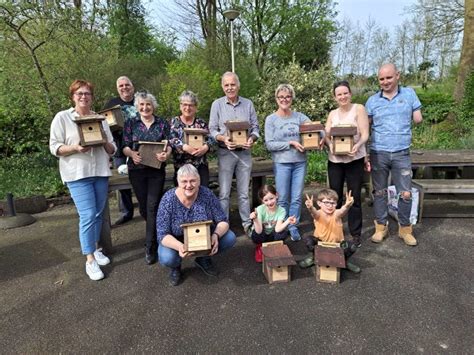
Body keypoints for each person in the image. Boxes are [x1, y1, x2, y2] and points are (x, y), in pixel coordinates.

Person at [49, 79, 116, 281]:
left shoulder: (101, 119)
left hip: (100, 172)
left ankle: (95, 249)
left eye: (87, 93)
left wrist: (104, 140)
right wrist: (75, 148)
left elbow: (112, 149)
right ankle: (89, 260)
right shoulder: (62, 118)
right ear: (73, 96)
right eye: (79, 94)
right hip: (77, 174)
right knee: (87, 215)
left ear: (92, 97)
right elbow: (55, 148)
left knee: (97, 215)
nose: (83, 97)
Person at [365, 63, 423, 246]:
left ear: (398, 75)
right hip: (378, 152)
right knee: (380, 192)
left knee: (405, 193)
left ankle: (405, 229)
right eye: (381, 79)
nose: (385, 82)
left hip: (401, 152)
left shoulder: (409, 94)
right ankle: (381, 227)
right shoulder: (372, 101)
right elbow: (365, 129)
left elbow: (418, 118)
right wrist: (365, 153)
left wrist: (416, 115)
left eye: (389, 77)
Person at [157, 164, 237, 286]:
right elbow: (162, 234)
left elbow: (223, 221)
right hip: (177, 240)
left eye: (193, 181)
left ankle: (203, 258)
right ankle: (176, 267)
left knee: (230, 237)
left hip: (204, 238)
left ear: (199, 180)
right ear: (178, 182)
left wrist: (215, 235)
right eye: (184, 181)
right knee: (167, 257)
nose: (189, 185)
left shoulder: (207, 194)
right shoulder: (168, 199)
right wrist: (180, 246)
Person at [122, 91, 171, 264]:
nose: (145, 107)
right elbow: (125, 146)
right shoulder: (130, 123)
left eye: (148, 104)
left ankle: (150, 247)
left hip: (156, 170)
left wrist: (166, 154)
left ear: (153, 106)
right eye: (141, 104)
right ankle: (158, 231)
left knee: (152, 206)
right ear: (137, 107)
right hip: (137, 170)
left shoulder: (162, 123)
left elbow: (168, 144)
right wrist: (132, 154)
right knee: (144, 208)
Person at [209, 72, 260, 236]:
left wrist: (252, 138)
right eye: (226, 85)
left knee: (244, 193)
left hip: (244, 153)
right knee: (224, 193)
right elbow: (212, 129)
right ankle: (224, 225)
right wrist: (223, 138)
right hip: (226, 153)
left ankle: (246, 224)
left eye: (232, 84)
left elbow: (255, 128)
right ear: (222, 86)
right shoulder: (217, 104)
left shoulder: (248, 104)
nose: (230, 88)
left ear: (238, 85)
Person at [324, 81, 369, 247]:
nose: (342, 97)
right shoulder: (332, 114)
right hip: (335, 161)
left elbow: (365, 134)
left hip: (354, 160)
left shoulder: (359, 109)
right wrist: (331, 147)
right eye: (339, 94)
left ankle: (355, 234)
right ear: (334, 97)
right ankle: (334, 231)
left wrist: (357, 146)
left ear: (350, 94)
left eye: (345, 93)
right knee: (333, 198)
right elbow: (326, 135)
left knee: (354, 197)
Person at [264, 83, 312, 241]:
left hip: (300, 162)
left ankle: (293, 226)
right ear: (276, 99)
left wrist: (321, 138)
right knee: (283, 197)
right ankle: (281, 226)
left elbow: (317, 129)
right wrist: (290, 143)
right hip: (281, 163)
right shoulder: (271, 119)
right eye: (281, 97)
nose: (285, 99)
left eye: (288, 96)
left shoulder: (300, 117)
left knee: (297, 197)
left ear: (292, 98)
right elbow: (269, 144)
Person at [300, 189, 360, 273]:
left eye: (333, 203)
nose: (330, 205)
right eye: (326, 202)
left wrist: (347, 205)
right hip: (320, 244)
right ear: (319, 203)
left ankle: (344, 261)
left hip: (337, 245)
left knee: (353, 246)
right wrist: (310, 207)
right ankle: (314, 258)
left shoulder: (336, 213)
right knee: (308, 239)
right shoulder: (318, 214)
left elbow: (342, 211)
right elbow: (314, 213)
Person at [103, 76, 137, 226]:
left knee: (142, 177)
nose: (124, 87)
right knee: (121, 181)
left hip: (139, 147)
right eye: (121, 86)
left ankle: (146, 208)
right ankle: (126, 212)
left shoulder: (140, 100)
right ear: (117, 89)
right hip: (119, 147)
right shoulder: (111, 103)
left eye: (127, 85)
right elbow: (104, 125)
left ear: (132, 86)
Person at [169, 90, 213, 186]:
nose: (187, 108)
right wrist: (184, 147)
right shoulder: (175, 121)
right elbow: (171, 139)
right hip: (181, 167)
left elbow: (211, 139)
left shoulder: (201, 122)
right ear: (180, 106)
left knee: (202, 195)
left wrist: (206, 147)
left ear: (196, 107)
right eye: (184, 104)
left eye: (191, 105)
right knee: (183, 197)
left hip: (200, 166)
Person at [249, 185, 296, 263]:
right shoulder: (259, 209)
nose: (270, 202)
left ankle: (276, 245)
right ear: (262, 201)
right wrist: (255, 219)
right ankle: (260, 247)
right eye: (266, 200)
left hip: (272, 235)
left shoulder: (281, 210)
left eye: (271, 198)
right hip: (262, 235)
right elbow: (259, 230)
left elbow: (277, 229)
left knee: (283, 232)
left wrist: (287, 221)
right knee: (256, 234)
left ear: (276, 195)